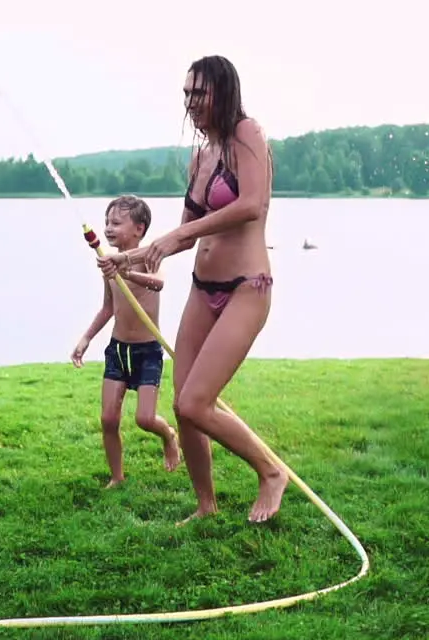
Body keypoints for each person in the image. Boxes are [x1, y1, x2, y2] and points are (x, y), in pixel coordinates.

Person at [97, 55, 287, 525]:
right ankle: (206, 506)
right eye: (185, 94)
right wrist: (129, 258)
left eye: (197, 93)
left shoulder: (248, 134)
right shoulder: (200, 156)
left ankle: (270, 472)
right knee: (184, 407)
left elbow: (251, 205)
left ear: (222, 92)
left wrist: (176, 237)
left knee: (195, 401)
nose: (190, 103)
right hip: (204, 289)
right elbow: (185, 232)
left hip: (247, 286)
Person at [72, 195, 182, 488]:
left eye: (117, 223)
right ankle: (117, 477)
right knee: (108, 419)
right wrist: (86, 338)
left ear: (139, 229)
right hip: (118, 350)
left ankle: (169, 435)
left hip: (147, 351)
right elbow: (108, 308)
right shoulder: (108, 266)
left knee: (145, 419)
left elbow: (158, 283)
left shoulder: (150, 258)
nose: (108, 228)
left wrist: (126, 270)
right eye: (107, 222)